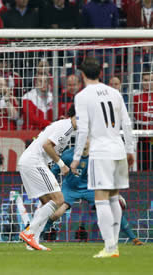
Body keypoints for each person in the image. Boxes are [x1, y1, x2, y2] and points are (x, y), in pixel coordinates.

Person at [71, 57, 135, 258]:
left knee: (101, 199)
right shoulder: (115, 92)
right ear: (100, 73)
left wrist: (75, 157)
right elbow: (127, 123)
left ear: (82, 75)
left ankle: (109, 247)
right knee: (114, 198)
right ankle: (113, 245)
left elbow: (82, 130)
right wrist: (130, 149)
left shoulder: (82, 96)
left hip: (101, 152)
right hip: (118, 149)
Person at [46, 143, 144, 246]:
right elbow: (53, 172)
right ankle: (36, 235)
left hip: (90, 188)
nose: (83, 140)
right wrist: (52, 189)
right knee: (57, 213)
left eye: (85, 137)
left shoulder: (97, 155)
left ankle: (133, 238)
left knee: (111, 208)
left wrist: (114, 193)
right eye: (81, 137)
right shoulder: (68, 155)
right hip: (71, 188)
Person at [18, 105, 77, 251]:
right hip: (34, 162)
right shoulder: (67, 126)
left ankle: (33, 242)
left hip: (30, 162)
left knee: (47, 203)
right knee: (58, 200)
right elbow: (47, 145)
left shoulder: (65, 127)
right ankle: (29, 232)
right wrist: (62, 164)